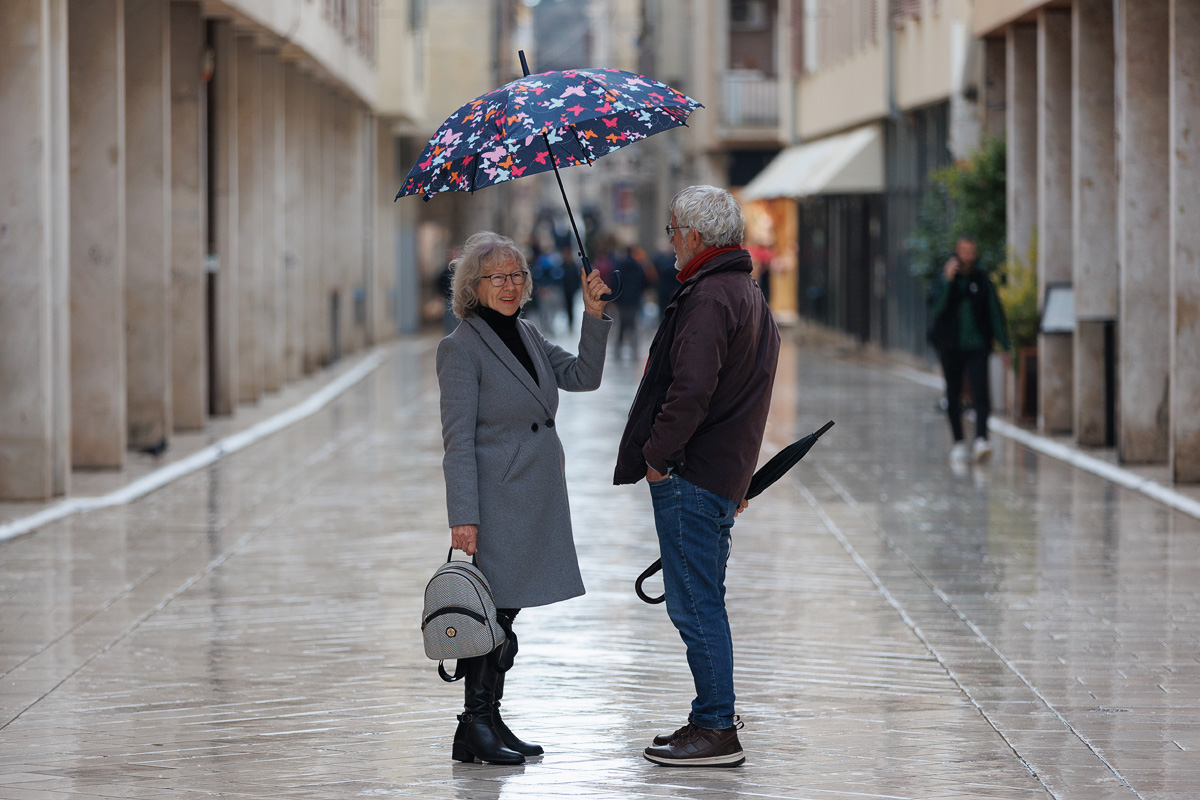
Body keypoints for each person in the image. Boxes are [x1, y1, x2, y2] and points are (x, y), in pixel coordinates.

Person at [614, 186, 780, 767]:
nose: (671, 244)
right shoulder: (746, 292)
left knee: (696, 606)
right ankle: (710, 717)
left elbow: (690, 392)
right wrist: (736, 477)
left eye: (672, 232)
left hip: (693, 475)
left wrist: (657, 459)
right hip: (718, 475)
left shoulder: (710, 296)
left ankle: (715, 728)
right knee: (703, 600)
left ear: (694, 236)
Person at [437, 231, 612, 765]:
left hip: (533, 496)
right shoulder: (460, 348)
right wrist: (463, 517)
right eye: (497, 277)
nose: (510, 286)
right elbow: (457, 441)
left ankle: (485, 722)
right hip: (497, 502)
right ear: (474, 285)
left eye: (517, 276)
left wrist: (594, 314)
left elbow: (583, 376)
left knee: (502, 616)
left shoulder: (528, 333)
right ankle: (475, 724)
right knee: (489, 616)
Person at [927, 235, 1010, 465]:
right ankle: (959, 442)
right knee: (953, 394)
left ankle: (981, 439)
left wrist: (1004, 345)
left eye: (971, 252)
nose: (968, 257)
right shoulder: (944, 278)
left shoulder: (982, 280)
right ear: (957, 252)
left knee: (981, 391)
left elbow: (994, 312)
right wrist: (948, 282)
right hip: (950, 346)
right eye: (964, 252)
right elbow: (936, 309)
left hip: (978, 346)